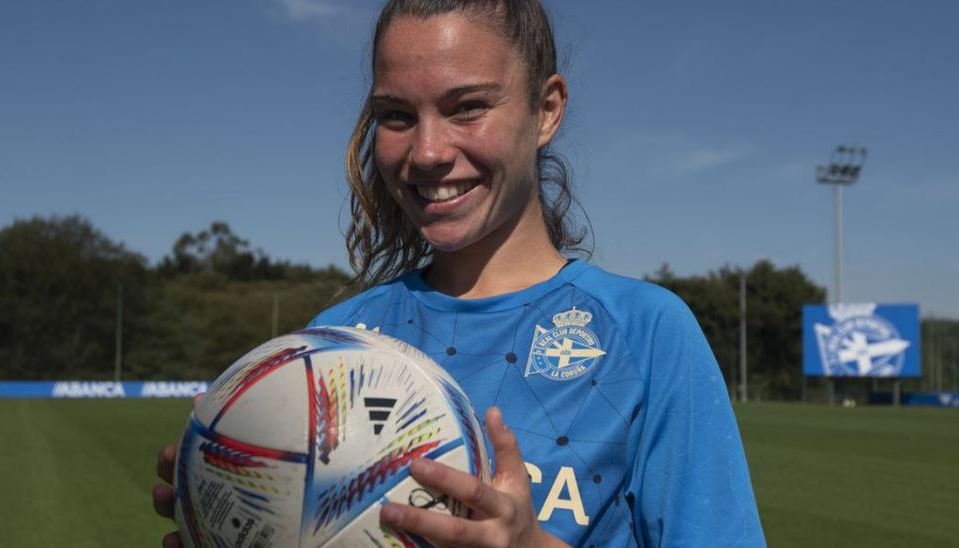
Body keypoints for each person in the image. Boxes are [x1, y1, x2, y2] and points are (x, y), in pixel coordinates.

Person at [153, 0, 766, 546]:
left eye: (467, 107)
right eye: (395, 115)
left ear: (546, 110)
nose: (426, 152)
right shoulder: (336, 342)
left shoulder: (645, 332)